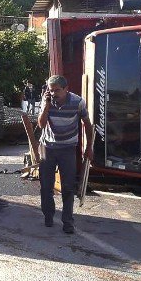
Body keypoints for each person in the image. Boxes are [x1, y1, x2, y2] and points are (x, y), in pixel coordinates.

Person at [36, 75, 93, 234]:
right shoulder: (46, 101)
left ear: (66, 89)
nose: (53, 93)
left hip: (68, 148)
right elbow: (41, 124)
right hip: (47, 147)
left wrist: (89, 147)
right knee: (46, 186)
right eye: (50, 90)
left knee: (68, 187)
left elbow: (87, 125)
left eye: (57, 90)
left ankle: (68, 221)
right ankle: (48, 215)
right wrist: (47, 105)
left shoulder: (78, 102)